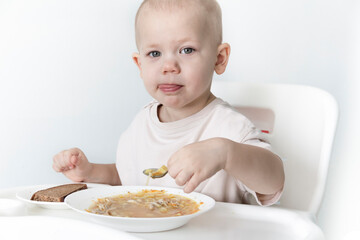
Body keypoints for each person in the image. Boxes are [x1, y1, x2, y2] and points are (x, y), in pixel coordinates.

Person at [53, 0, 284, 206]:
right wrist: (90, 171)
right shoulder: (142, 124)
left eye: (186, 50)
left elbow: (274, 180)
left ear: (219, 58)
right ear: (139, 64)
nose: (169, 66)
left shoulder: (230, 127)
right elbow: (125, 178)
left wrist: (226, 153)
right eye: (154, 54)